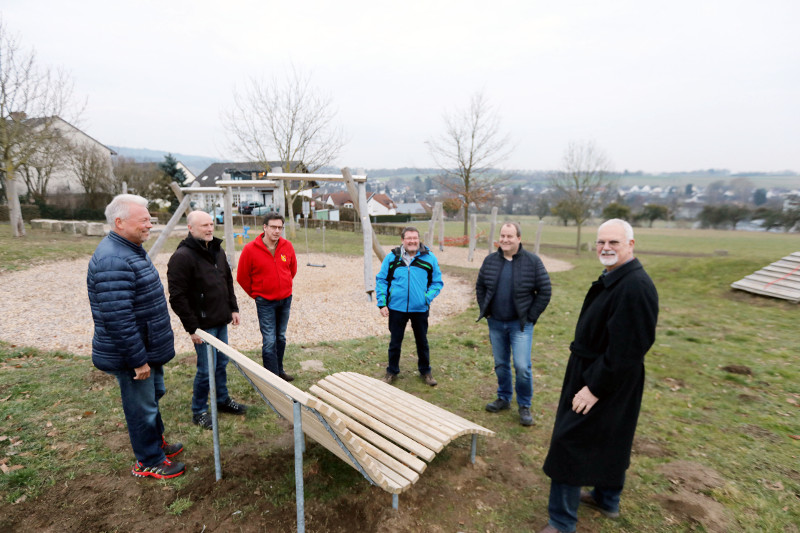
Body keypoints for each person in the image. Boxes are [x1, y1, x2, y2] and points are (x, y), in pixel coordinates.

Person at [538, 219, 659, 533]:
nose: (606, 248)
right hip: (599, 370)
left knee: (570, 440)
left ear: (630, 245)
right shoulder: (616, 276)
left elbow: (629, 349)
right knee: (612, 438)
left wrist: (594, 387)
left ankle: (561, 522)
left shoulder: (635, 286)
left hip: (605, 377)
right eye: (601, 242)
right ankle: (607, 499)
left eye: (614, 243)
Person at [87, 194, 185, 479]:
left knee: (152, 398)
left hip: (146, 347)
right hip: (133, 354)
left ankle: (156, 444)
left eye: (149, 220)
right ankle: (148, 460)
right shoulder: (113, 260)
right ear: (119, 222)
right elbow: (117, 318)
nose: (149, 225)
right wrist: (137, 361)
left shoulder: (129, 249)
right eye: (143, 220)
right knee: (141, 407)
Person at [167, 210, 248, 430]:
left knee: (221, 364)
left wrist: (233, 308)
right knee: (205, 369)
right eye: (204, 225)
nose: (210, 228)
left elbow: (227, 281)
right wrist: (192, 328)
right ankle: (199, 411)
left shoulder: (217, 250)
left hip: (221, 320)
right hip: (202, 327)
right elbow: (177, 297)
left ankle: (222, 400)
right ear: (190, 228)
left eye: (211, 224)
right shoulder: (182, 257)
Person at [476, 222, 551, 426]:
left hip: (521, 325)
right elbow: (480, 286)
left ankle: (524, 405)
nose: (505, 240)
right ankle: (504, 398)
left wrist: (531, 316)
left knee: (522, 366)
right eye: (502, 236)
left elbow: (545, 291)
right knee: (501, 364)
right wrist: (487, 311)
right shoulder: (490, 260)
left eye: (510, 236)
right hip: (496, 323)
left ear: (519, 238)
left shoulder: (532, 262)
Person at [375, 226, 443, 386]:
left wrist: (426, 298)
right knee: (395, 342)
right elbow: (381, 280)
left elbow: (437, 282)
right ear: (402, 240)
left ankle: (425, 371)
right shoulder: (392, 258)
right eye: (409, 238)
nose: (412, 241)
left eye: (415, 238)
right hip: (396, 308)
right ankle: (392, 371)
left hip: (420, 308)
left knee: (422, 341)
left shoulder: (429, 258)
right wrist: (382, 303)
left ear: (419, 240)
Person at [237, 213, 298, 381]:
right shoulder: (250, 249)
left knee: (281, 337)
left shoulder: (287, 246)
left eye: (280, 228)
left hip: (285, 299)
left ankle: (279, 371)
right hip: (265, 302)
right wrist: (257, 293)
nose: (277, 231)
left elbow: (292, 270)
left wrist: (284, 285)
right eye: (273, 227)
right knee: (269, 340)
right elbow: (242, 277)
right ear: (265, 227)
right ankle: (272, 379)